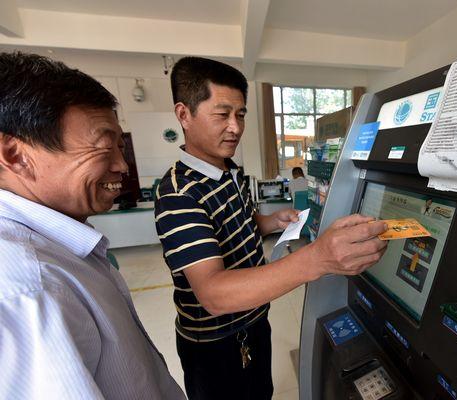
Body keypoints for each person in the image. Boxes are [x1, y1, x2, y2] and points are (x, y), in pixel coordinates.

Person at [154, 57, 388, 400]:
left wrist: (270, 222)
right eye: (222, 114)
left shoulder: (229, 170)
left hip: (253, 323)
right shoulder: (179, 193)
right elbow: (214, 294)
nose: (235, 127)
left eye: (241, 114)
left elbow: (240, 224)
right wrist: (317, 258)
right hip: (216, 346)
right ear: (184, 114)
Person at [0, 52, 185, 399]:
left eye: (120, 147)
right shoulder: (31, 288)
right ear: (16, 156)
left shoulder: (61, 252)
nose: (122, 165)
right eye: (103, 148)